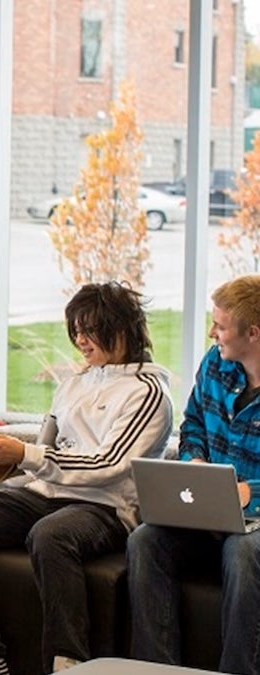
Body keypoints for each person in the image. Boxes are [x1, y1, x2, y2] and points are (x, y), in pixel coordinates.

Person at [0, 282, 173, 675]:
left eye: (89, 330)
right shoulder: (75, 383)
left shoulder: (148, 392)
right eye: (75, 331)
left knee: (51, 534)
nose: (80, 340)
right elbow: (46, 446)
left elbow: (109, 463)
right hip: (44, 492)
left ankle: (68, 660)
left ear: (121, 329)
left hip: (105, 505)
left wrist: (28, 455)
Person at [128, 274, 260, 675]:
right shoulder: (215, 365)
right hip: (209, 509)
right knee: (146, 540)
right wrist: (195, 464)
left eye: (220, 326)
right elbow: (194, 426)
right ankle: (158, 669)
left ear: (252, 333)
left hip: (255, 521)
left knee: (243, 553)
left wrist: (246, 491)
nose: (211, 332)